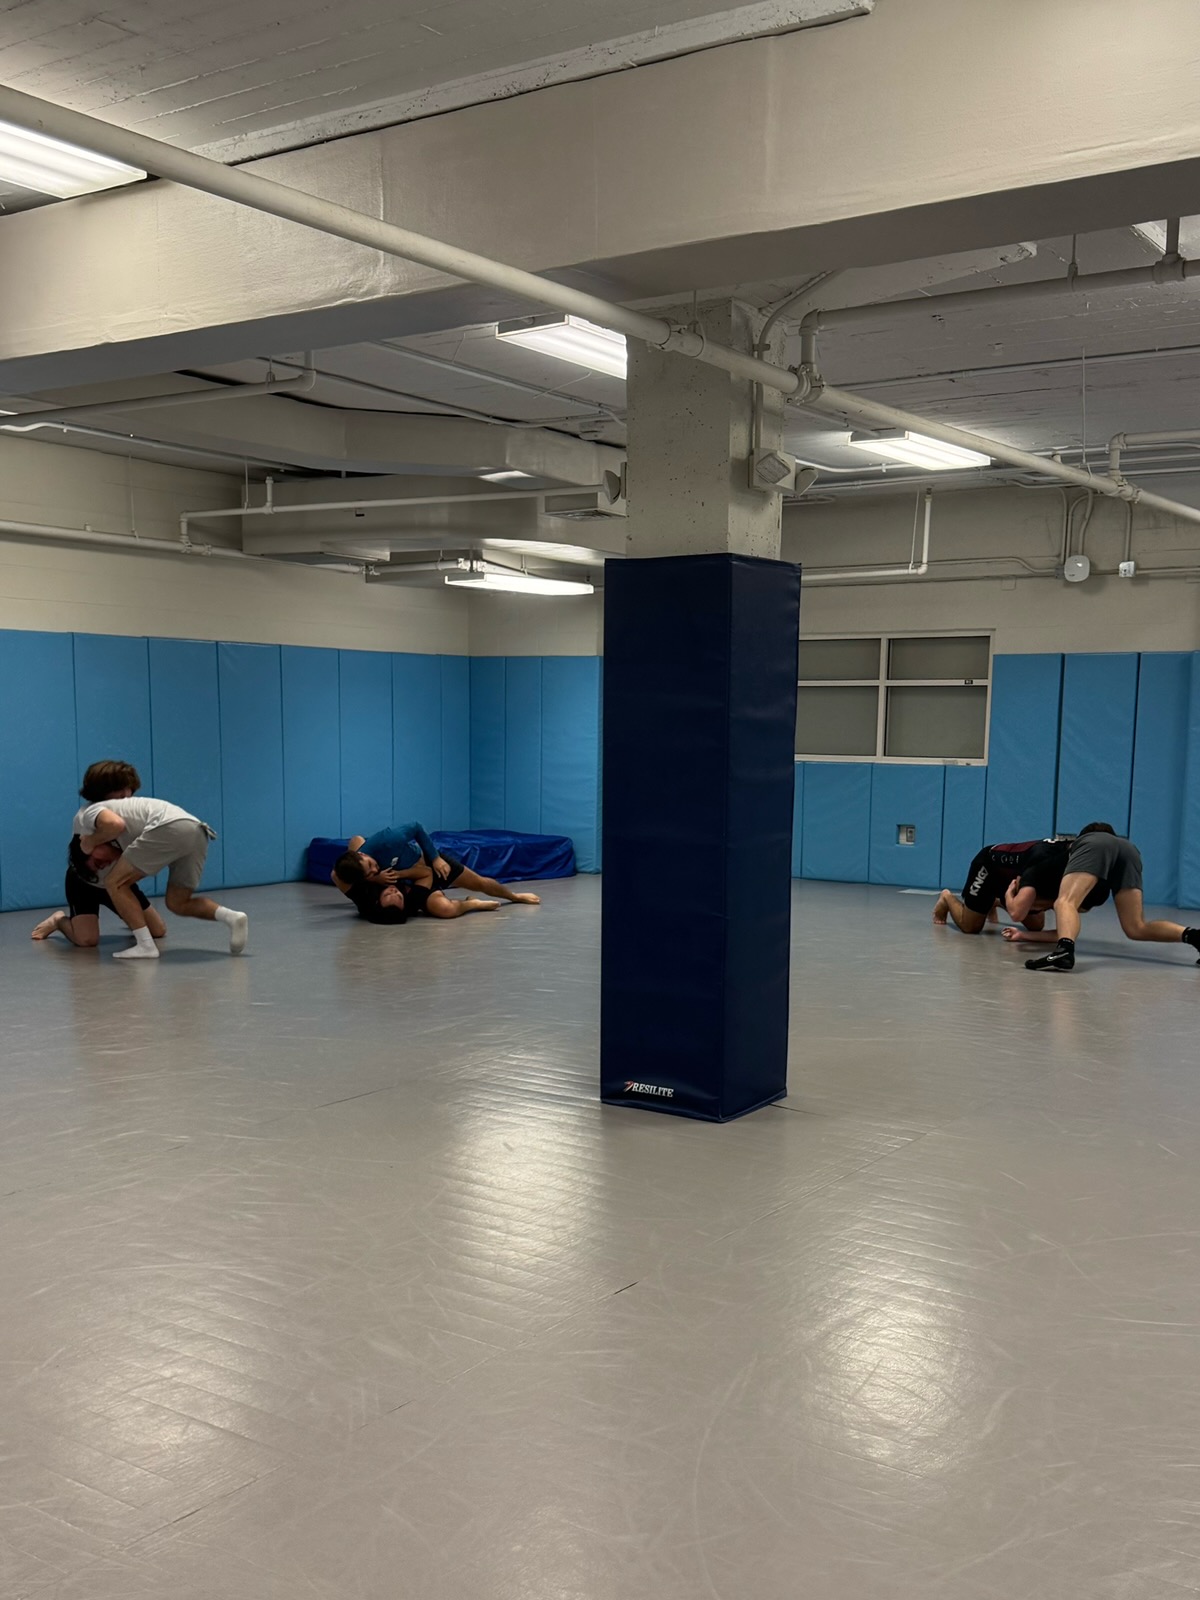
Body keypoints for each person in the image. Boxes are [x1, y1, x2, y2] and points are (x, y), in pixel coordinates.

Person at [73, 795, 248, 960]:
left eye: (98, 861)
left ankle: (145, 945)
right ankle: (233, 917)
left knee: (114, 882)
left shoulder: (90, 820)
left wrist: (89, 842)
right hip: (196, 831)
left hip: (169, 826)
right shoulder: (121, 838)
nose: (105, 864)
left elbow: (115, 824)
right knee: (177, 902)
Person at [1025, 822, 1200, 972]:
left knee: (1065, 901)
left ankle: (1064, 950)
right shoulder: (1118, 844)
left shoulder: (1085, 842)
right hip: (1130, 850)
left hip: (1094, 845)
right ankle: (1194, 936)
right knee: (1136, 927)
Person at [32, 760, 166, 950]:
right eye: (119, 790)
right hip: (85, 883)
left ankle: (129, 915)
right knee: (87, 941)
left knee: (157, 930)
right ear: (101, 791)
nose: (126, 795)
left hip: (117, 883)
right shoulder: (87, 815)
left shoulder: (132, 814)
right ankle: (59, 920)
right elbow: (110, 830)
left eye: (129, 789)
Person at [333, 820, 540, 907]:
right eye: (370, 872)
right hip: (415, 878)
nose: (375, 869)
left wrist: (435, 858)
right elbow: (340, 873)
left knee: (479, 882)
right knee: (442, 909)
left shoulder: (388, 840)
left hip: (428, 863)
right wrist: (376, 878)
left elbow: (416, 827)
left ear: (363, 854)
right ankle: (470, 904)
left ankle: (514, 896)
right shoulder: (360, 870)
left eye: (372, 864)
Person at [933, 836, 1098, 935]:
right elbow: (1017, 910)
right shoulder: (1042, 864)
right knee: (970, 927)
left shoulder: (1075, 859)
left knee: (1036, 926)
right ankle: (947, 898)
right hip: (989, 865)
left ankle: (994, 901)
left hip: (1013, 876)